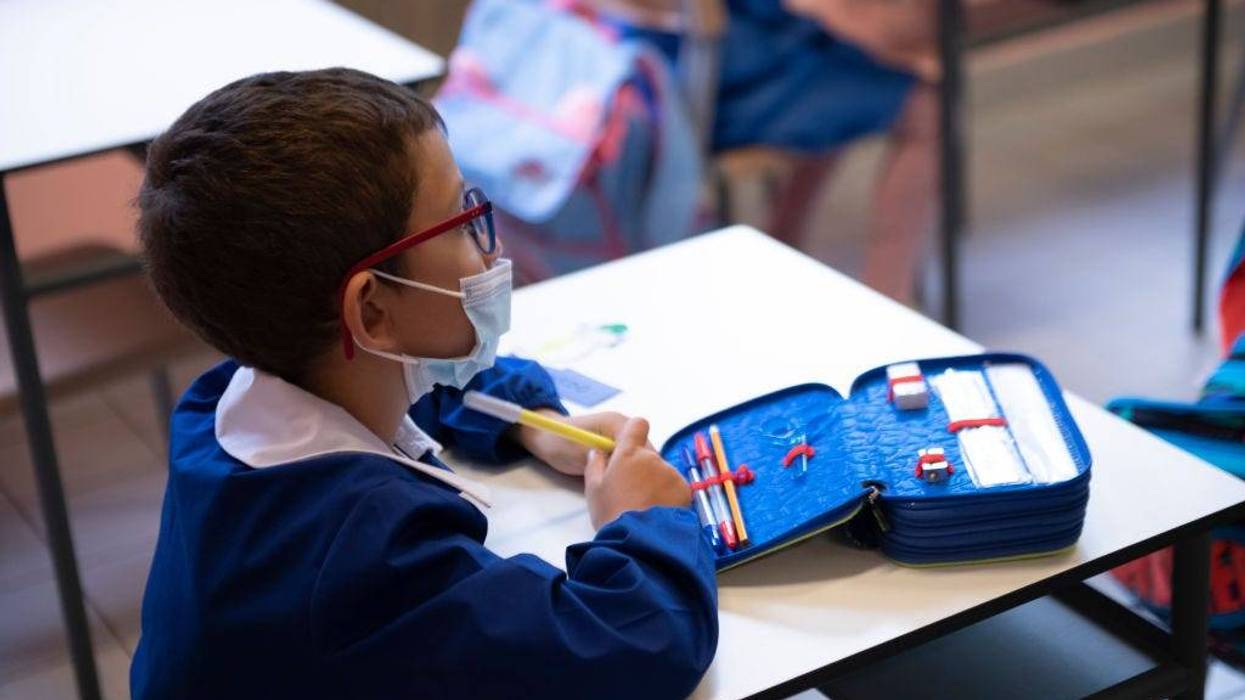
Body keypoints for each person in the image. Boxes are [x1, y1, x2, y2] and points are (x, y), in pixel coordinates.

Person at [129, 68, 718, 700]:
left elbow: (428, 381)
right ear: (374, 310)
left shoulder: (220, 406)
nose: (489, 250)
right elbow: (626, 650)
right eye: (462, 222)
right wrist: (646, 517)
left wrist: (528, 423)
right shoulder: (372, 562)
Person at [613, 0, 939, 305]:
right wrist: (904, 46)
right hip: (716, 88)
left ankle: (782, 242)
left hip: (665, 65)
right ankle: (887, 297)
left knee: (845, 72)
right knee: (924, 104)